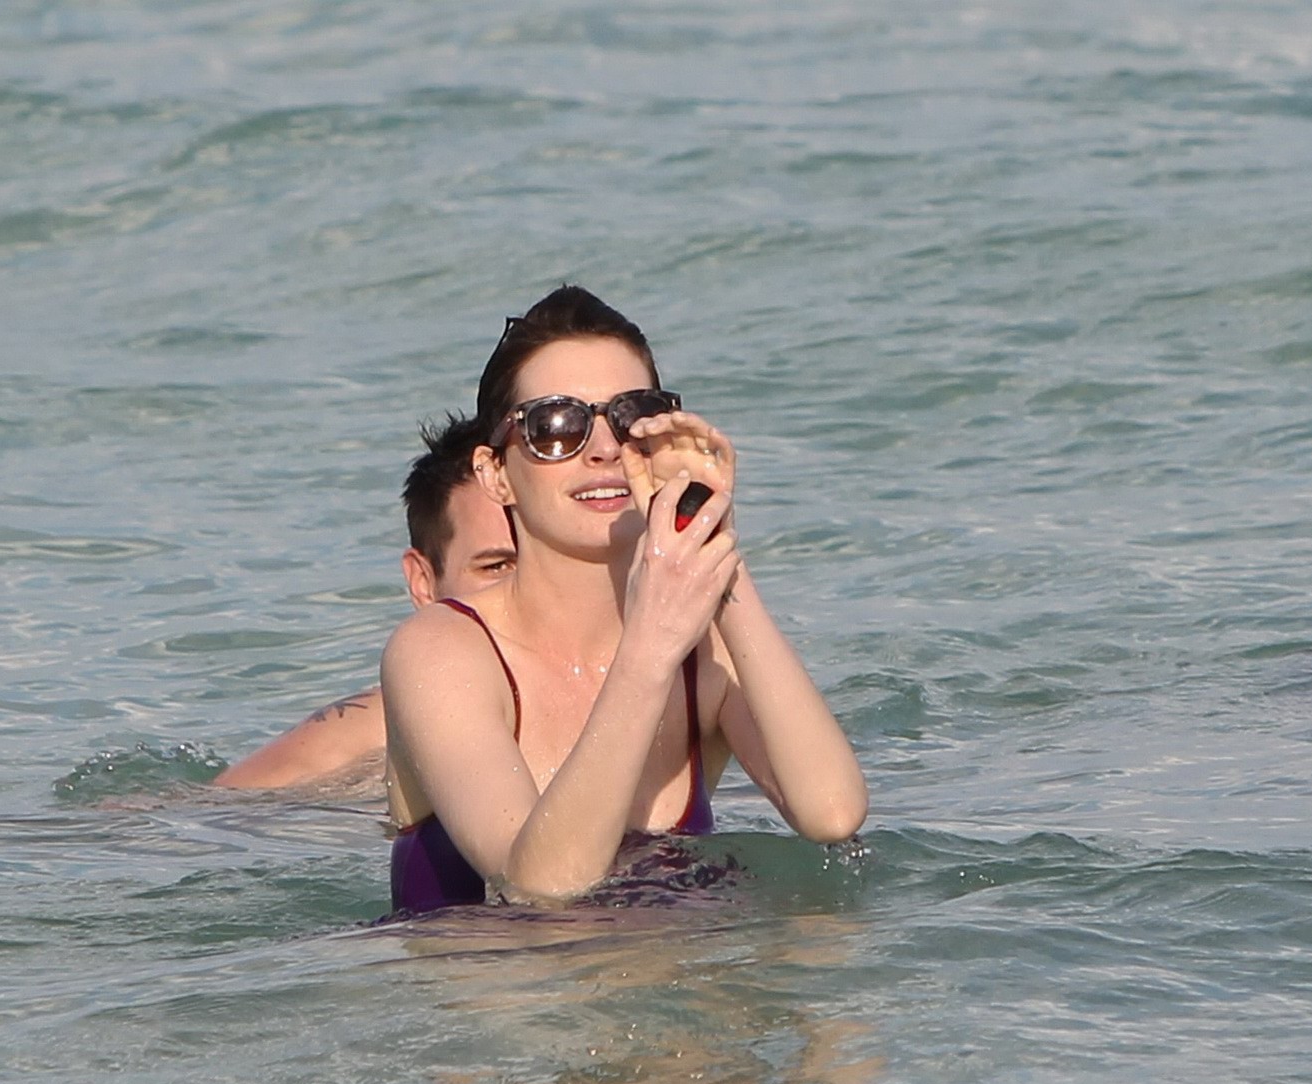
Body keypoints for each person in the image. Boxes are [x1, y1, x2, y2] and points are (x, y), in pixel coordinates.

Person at [382, 285, 867, 912]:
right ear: (494, 473)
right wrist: (650, 646)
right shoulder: (442, 651)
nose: (604, 448)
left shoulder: (700, 648)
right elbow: (538, 883)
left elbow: (831, 812)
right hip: (498, 1001)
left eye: (630, 417)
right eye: (556, 426)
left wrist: (709, 539)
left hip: (679, 987)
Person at [214, 428, 518, 789]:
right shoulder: (365, 743)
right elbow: (190, 817)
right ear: (424, 583)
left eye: (557, 558)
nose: (533, 586)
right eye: (496, 567)